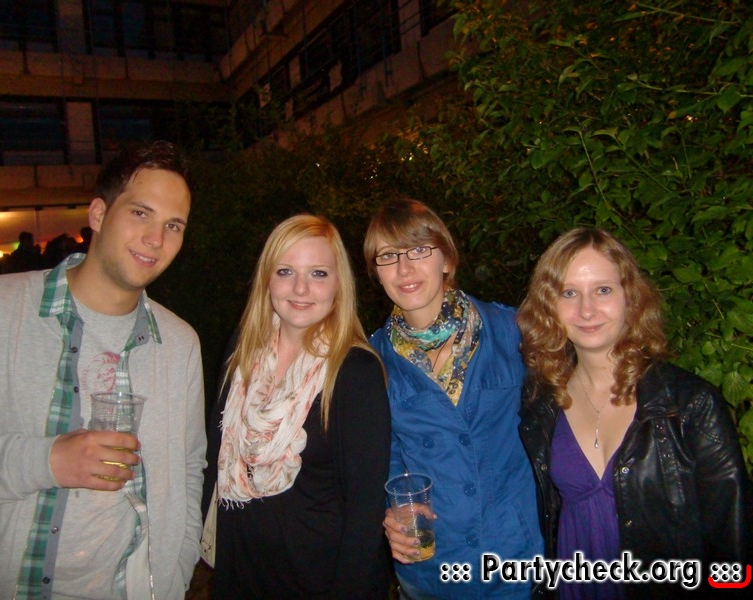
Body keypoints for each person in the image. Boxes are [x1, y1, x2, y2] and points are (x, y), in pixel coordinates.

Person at [0, 140, 207, 599]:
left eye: (173, 225)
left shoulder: (179, 344)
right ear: (98, 214)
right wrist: (47, 461)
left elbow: (189, 470)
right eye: (140, 213)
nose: (156, 239)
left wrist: (174, 578)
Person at [516, 227, 752, 599]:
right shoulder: (540, 405)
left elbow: (733, 541)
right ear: (549, 305)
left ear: (631, 296)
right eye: (568, 293)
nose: (586, 310)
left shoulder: (689, 404)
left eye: (603, 290)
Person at [201, 214, 392, 599]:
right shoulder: (242, 352)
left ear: (338, 284)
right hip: (240, 572)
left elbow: (365, 510)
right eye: (285, 271)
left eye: (318, 273)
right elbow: (213, 460)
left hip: (316, 581)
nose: (301, 288)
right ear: (267, 279)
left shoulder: (355, 371)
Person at [365, 198, 542, 599]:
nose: (404, 269)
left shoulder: (512, 332)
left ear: (446, 258)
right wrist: (391, 510)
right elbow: (381, 458)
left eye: (418, 250)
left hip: (514, 561)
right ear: (377, 273)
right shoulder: (372, 362)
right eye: (388, 256)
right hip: (433, 570)